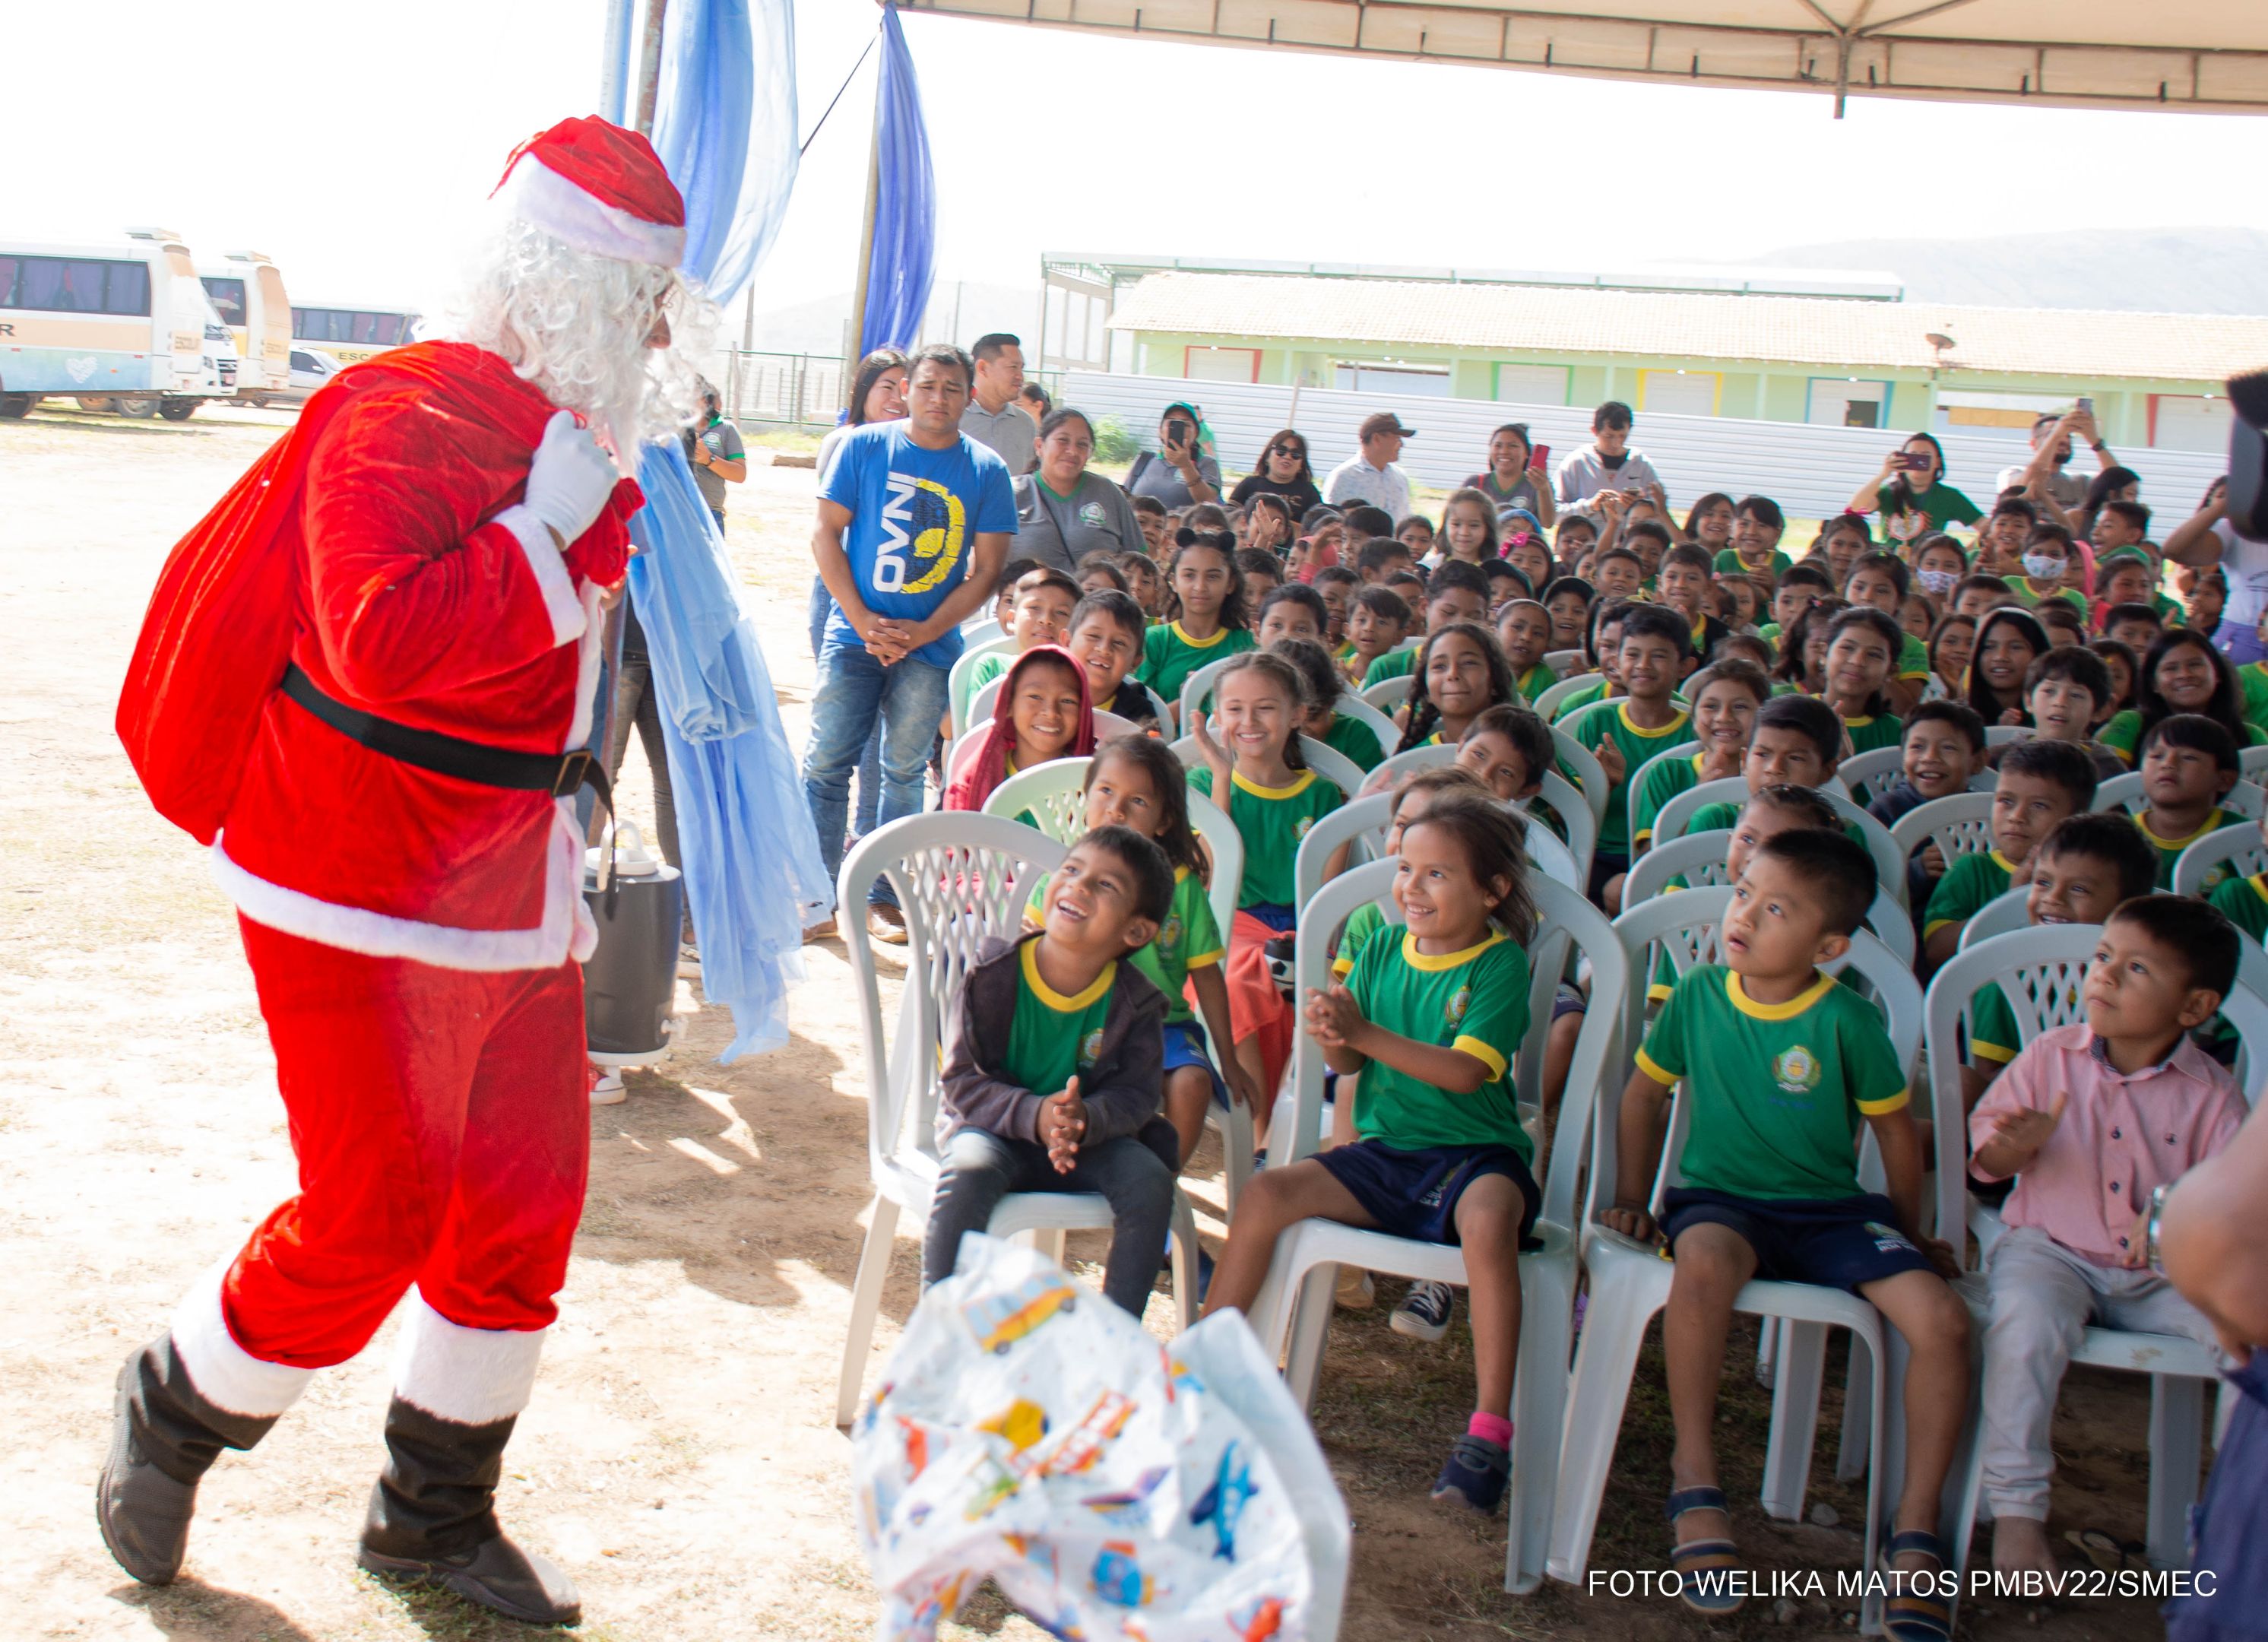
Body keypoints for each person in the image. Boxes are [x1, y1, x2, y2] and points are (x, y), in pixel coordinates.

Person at [104, 115, 711, 1625]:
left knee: (522, 1204)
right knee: (369, 1216)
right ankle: (174, 1406)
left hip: (515, 890)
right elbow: (379, 639)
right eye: (640, 301)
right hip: (354, 885)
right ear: (570, 285)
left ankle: (431, 1517)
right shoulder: (394, 412)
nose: (654, 336)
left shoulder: (566, 443)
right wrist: (540, 533)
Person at [1606, 832, 1971, 1625]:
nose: (1742, 915)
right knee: (1701, 1266)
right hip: (1720, 1202)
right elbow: (1642, 1096)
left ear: (1828, 947)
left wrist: (1909, 1233)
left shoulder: (1847, 1019)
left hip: (1832, 1212)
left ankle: (1915, 1527)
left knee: (1942, 1319)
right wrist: (1632, 1194)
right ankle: (1694, 1477)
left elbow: (1895, 1133)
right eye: (1744, 894)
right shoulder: (1698, 994)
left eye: (1776, 910)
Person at [1207, 796, 1541, 1514]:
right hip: (1388, 1153)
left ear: (1493, 891)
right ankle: (1203, 1369)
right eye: (1406, 868)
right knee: (1266, 1194)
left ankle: (1488, 1431)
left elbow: (1465, 1073)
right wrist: (1333, 1031)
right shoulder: (1382, 946)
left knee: (1490, 1222)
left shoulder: (1500, 963)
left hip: (1475, 1156)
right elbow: (1349, 1065)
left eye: (1437, 874)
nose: (1411, 887)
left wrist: (1361, 1033)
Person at [1969, 896, 2243, 1575]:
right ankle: (2016, 1509)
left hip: (2163, 1276)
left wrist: (2175, 1220)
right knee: (2025, 1324)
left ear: (2194, 1007)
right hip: (2052, 1251)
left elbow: (2229, 1204)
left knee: (2246, 1343)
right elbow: (1985, 1163)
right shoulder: (2048, 1058)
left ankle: (2232, 1525)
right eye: (2102, 958)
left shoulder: (2214, 1097)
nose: (2105, 977)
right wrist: (2016, 1147)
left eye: (2137, 968)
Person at [923, 826, 1181, 1316]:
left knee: (1149, 1180)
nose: (1079, 886)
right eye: (1072, 869)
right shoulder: (993, 975)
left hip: (1088, 1143)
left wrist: (1085, 1119)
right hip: (995, 1133)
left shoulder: (1138, 1004)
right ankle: (939, 1326)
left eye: (1106, 885)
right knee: (967, 1171)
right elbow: (963, 1081)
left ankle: (1114, 1333)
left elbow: (1137, 1095)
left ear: (1136, 932)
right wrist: (1035, 1114)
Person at [808, 343, 1015, 944]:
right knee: (826, 764)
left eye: (951, 388)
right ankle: (817, 894)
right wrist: (860, 618)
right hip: (854, 636)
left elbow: (987, 571)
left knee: (902, 773)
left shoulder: (987, 470)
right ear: (907, 390)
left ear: (969, 395)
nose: (937, 398)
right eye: (926, 386)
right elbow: (824, 534)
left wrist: (924, 631)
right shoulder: (863, 447)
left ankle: (884, 896)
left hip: (930, 648)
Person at [1187, 651, 1348, 1117]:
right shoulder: (1201, 782)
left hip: (1301, 930)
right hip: (1225, 925)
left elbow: (1325, 896)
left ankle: (1284, 1122)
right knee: (1236, 983)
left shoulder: (1321, 795)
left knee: (1323, 986)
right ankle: (1258, 1133)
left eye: (1266, 708)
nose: (1249, 722)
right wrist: (1223, 779)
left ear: (1297, 714)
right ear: (1218, 717)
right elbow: (1208, 878)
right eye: (1235, 709)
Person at [1959, 812, 2159, 1102]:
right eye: (2043, 882)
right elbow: (1991, 1075)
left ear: (2126, 908)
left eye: (2079, 889)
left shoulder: (2144, 987)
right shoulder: (2006, 981)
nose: (2053, 898)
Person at [1921, 737, 2099, 972]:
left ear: (2076, 817)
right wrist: (2009, 905)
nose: (2017, 816)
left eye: (2039, 806)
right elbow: (1936, 952)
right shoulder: (1972, 871)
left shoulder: (2088, 881)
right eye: (2006, 801)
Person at [1567, 604, 1695, 908]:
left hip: (1669, 856)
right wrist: (1602, 785)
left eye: (1659, 656)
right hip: (1599, 853)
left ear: (1684, 666)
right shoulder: (1597, 721)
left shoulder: (1695, 731)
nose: (1643, 665)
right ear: (1618, 661)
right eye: (1633, 654)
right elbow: (1571, 812)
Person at [1630, 658, 1771, 855]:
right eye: (1711, 706)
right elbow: (1650, 858)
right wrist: (1700, 797)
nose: (1724, 717)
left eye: (1740, 707)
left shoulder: (1772, 776)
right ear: (1694, 718)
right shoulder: (1667, 773)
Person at [943, 644, 1095, 815]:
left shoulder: (1096, 786)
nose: (1051, 712)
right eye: (1035, 697)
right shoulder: (973, 785)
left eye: (1067, 701)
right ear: (1009, 704)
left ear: (1083, 713)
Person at [1870, 700, 1989, 912]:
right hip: (1911, 923)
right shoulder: (1887, 809)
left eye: (1948, 748)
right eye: (1918, 747)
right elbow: (1871, 885)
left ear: (1979, 761)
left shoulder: (1984, 814)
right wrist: (1918, 869)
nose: (1930, 757)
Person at [2100, 626, 2268, 763]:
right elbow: (2112, 785)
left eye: (2195, 665)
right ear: (2154, 684)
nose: (2184, 675)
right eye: (2171, 668)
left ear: (2217, 675)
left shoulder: (2251, 736)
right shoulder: (2132, 724)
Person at [1139, 529, 1253, 726]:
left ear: (1230, 584)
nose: (1200, 586)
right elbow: (1140, 724)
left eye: (1213, 577)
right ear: (1174, 581)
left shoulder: (1247, 645)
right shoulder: (1154, 640)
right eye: (1189, 575)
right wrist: (1191, 696)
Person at [1015, 407, 1148, 575]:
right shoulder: (1012, 493)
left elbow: (1137, 562)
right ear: (1039, 446)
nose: (1072, 451)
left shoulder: (1107, 492)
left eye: (1082, 444)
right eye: (1063, 440)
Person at [2131, 715, 2244, 887]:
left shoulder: (2243, 837)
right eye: (2157, 756)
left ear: (2224, 780)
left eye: (2189, 757)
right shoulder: (2120, 837)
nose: (2168, 764)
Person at [1395, 620, 1522, 754]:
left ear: (1494, 681)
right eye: (1439, 666)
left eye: (1468, 663)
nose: (1453, 674)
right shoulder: (1416, 759)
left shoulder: (1521, 752)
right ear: (1427, 689)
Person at [1276, 632, 1388, 774]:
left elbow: (1363, 784)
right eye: (1288, 718)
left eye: (1312, 718)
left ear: (1332, 701)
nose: (1300, 727)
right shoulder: (1261, 740)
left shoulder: (1356, 734)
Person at [1851, 432, 1981, 544]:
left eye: (1925, 456)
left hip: (1925, 563)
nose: (1919, 461)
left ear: (1937, 462)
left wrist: (1964, 555)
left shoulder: (1949, 496)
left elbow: (1985, 528)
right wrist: (1883, 475)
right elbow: (1855, 509)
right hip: (1889, 562)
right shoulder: (1889, 492)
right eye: (1913, 455)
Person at [970, 566, 1080, 695]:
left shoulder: (1078, 675)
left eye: (1061, 612)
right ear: (1012, 619)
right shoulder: (991, 667)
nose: (1046, 620)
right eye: (1035, 608)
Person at [2018, 647, 2123, 779]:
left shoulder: (2107, 768)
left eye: (2076, 695)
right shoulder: (2001, 759)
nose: (2060, 702)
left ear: (2099, 711)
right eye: (2049, 691)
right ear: (2029, 701)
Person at [1065, 590, 1158, 730]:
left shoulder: (1140, 714)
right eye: (1094, 636)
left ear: (1135, 662)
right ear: (1067, 641)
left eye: (1119, 643)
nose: (1104, 649)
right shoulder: (1044, 694)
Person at [1994, 406, 2118, 512]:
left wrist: (2095, 441)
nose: (2064, 439)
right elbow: (2023, 487)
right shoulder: (2012, 474)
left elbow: (2119, 484)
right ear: (2033, 444)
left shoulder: (2081, 482)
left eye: (2068, 435)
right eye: (2051, 434)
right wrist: (2057, 434)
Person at [1554, 401, 1661, 518]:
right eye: (1609, 436)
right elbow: (1555, 513)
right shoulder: (1576, 463)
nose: (1616, 443)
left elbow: (1660, 511)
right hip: (1588, 529)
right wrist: (1590, 506)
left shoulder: (1642, 465)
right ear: (1594, 431)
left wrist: (1640, 506)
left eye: (1622, 436)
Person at [957, 332, 1036, 476]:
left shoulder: (1025, 424)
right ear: (982, 368)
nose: (1020, 376)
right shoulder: (954, 416)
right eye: (1013, 367)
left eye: (1021, 368)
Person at [1321, 411, 1417, 521]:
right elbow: (1333, 521)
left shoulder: (1400, 477)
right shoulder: (1344, 477)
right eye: (1397, 438)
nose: (1401, 445)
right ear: (1376, 439)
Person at [1124, 401, 1221, 509]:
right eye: (1172, 423)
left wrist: (1186, 466)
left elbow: (1208, 503)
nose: (1180, 429)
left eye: (1186, 424)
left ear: (1196, 433)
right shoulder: (1145, 460)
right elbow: (1124, 499)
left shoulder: (1207, 463)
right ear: (1160, 431)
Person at [1965, 607, 2050, 728]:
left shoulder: (2054, 719)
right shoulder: (1958, 720)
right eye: (1989, 647)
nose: (2000, 657)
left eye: (2015, 647)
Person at [1465, 422, 1556, 528]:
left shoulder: (1538, 485)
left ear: (1527, 453)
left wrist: (1543, 489)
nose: (1504, 451)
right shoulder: (1475, 483)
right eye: (1498, 446)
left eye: (1513, 446)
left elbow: (1547, 523)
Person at [684, 380, 746, 530]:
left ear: (705, 400)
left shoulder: (726, 429)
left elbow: (740, 474)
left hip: (710, 514)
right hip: (677, 512)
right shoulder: (673, 430)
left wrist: (709, 459)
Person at [1230, 426, 1323, 521]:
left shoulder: (1309, 492)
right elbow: (1229, 516)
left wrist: (1284, 525)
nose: (1287, 457)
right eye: (1281, 451)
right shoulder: (1249, 484)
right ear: (1267, 457)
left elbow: (1320, 524)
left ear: (1301, 464)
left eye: (1295, 454)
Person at [1341, 585, 1411, 688]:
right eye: (1362, 620)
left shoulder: (1400, 675)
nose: (1369, 628)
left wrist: (1349, 688)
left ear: (1399, 636)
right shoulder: (1339, 668)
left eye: (1382, 622)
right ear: (1347, 630)